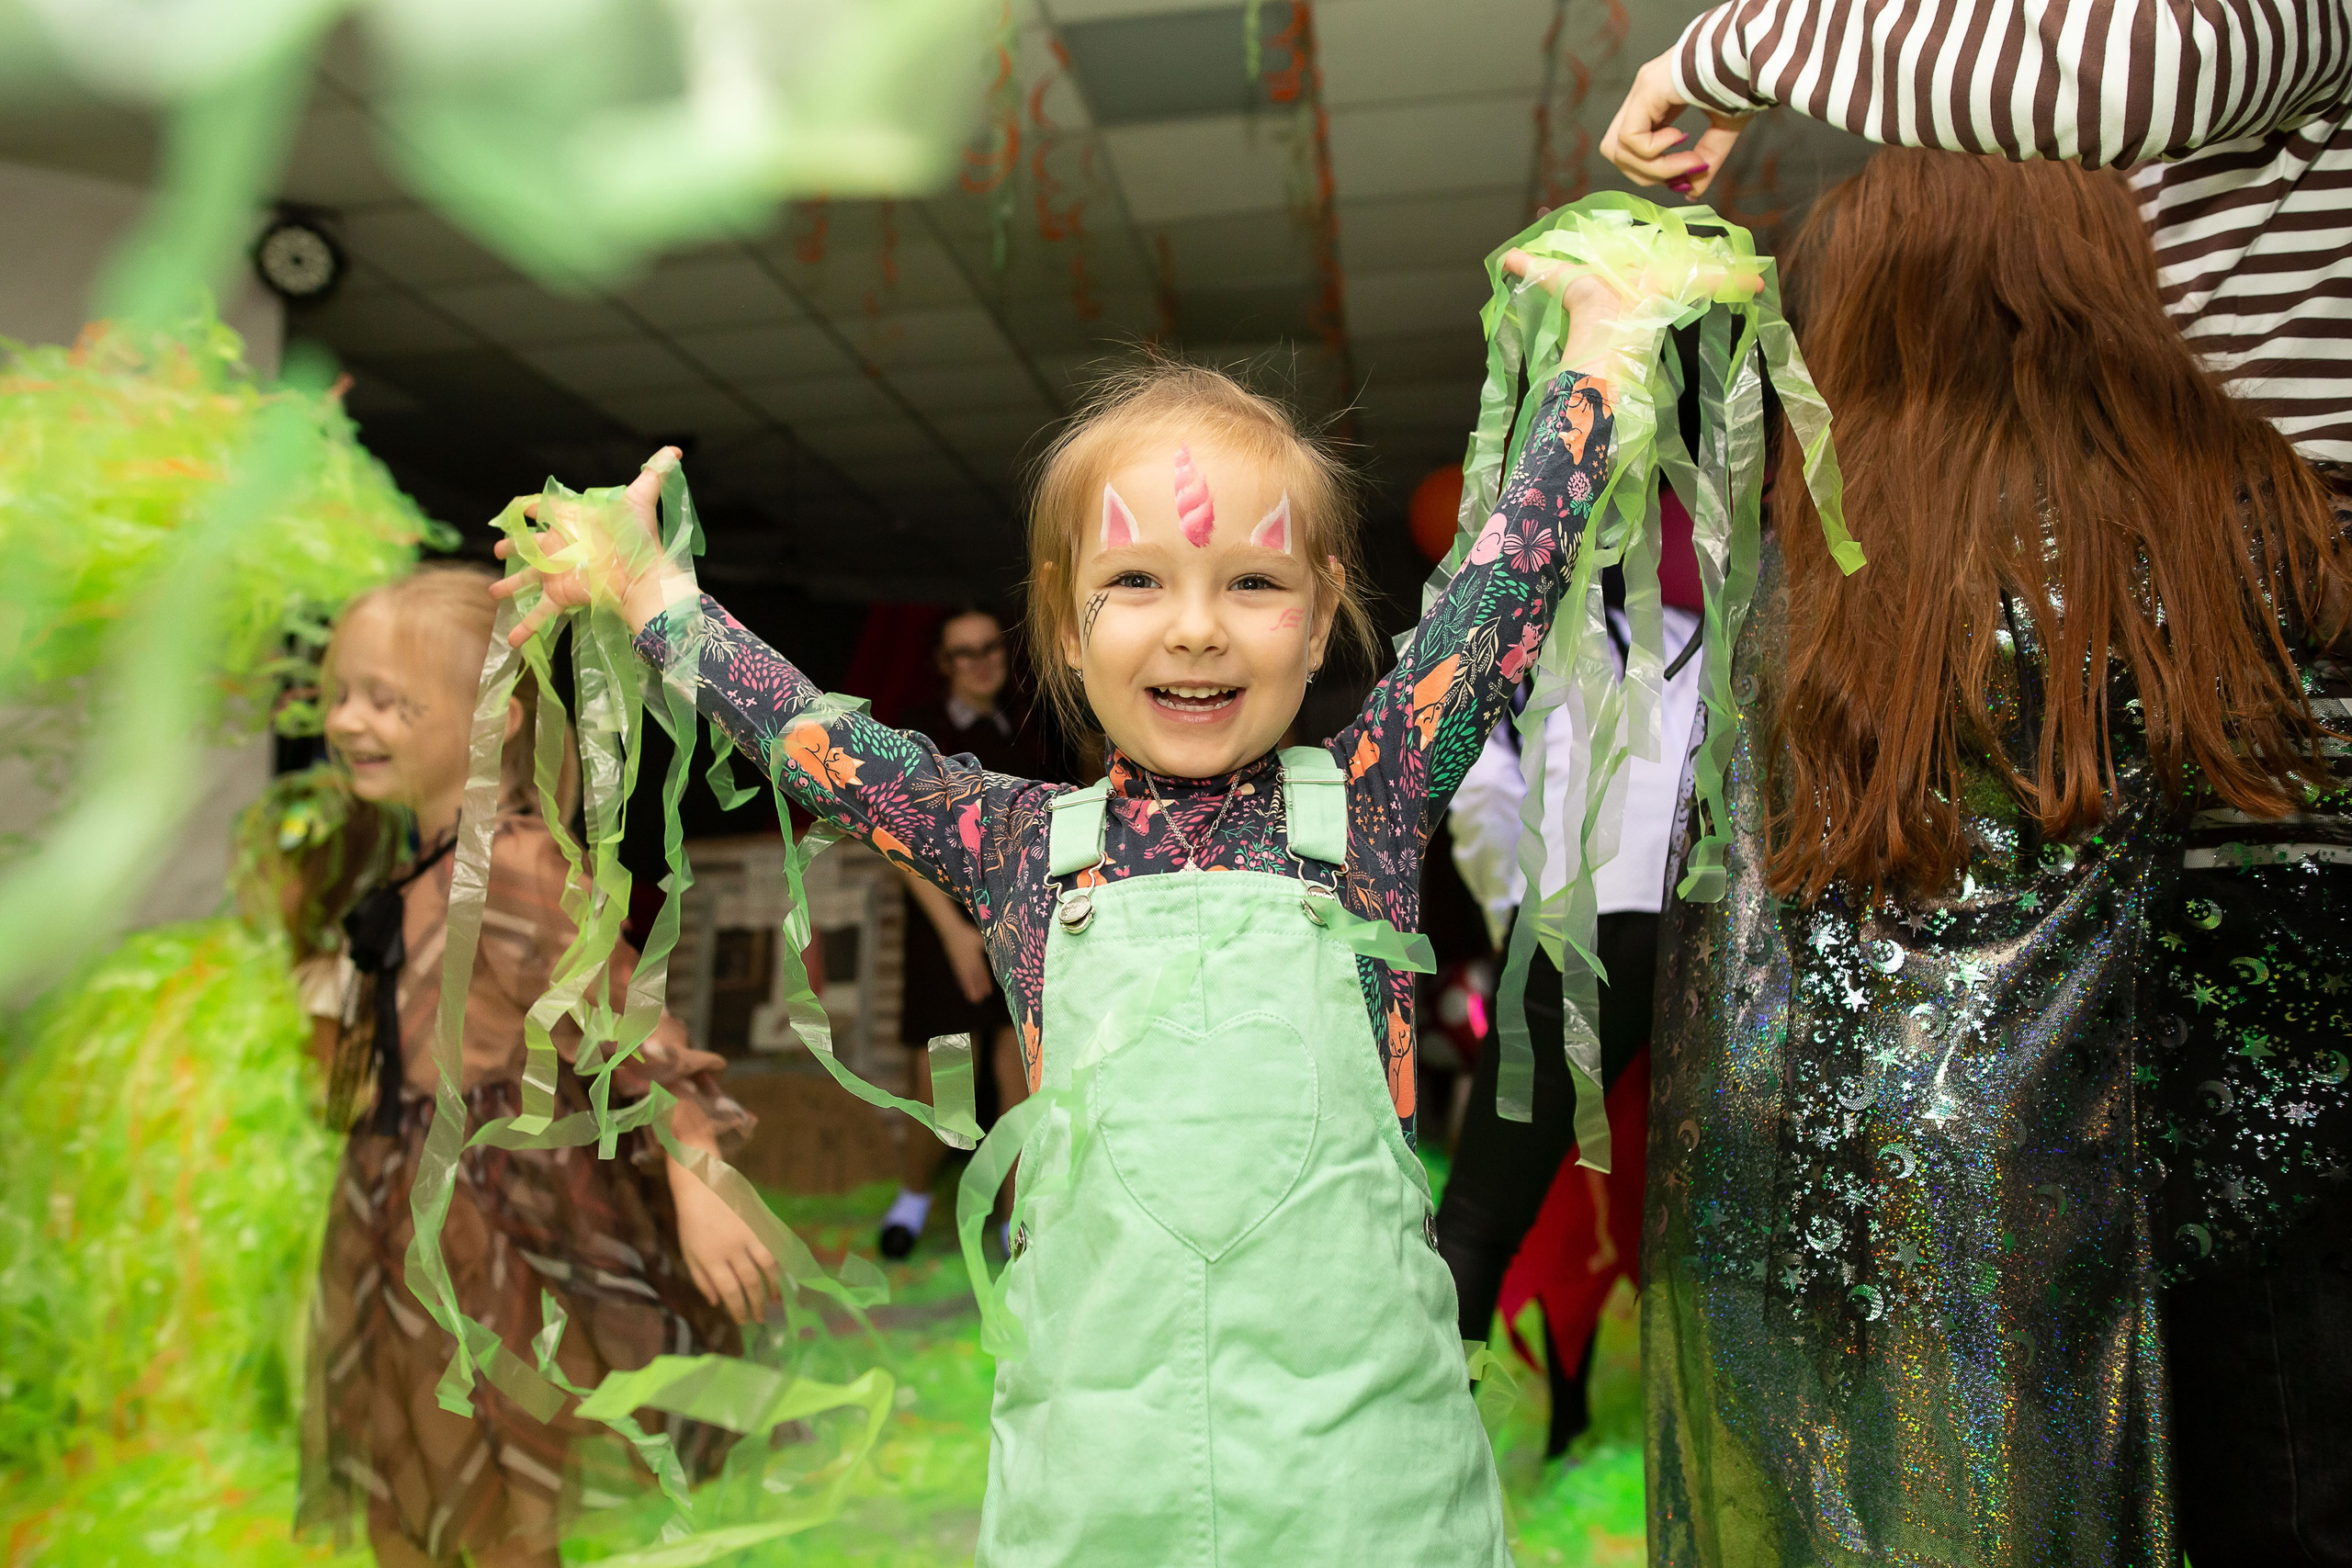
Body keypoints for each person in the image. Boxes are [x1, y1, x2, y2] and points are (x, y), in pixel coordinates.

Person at [491, 250, 1726, 1563]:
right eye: (1136, 581)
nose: (1196, 628)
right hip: (1102, 1471)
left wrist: (1602, 349)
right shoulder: (1015, 840)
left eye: (1253, 583)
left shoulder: (1371, 794)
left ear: (1318, 630)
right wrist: (651, 597)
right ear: (1068, 632)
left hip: (1361, 1471)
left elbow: (1503, 591)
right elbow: (810, 738)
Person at [1605, 8, 2352, 1558]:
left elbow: (2123, 69)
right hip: (2256, 1077)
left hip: (1958, 1199)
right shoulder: (2263, 539)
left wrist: (1719, 54)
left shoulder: (1847, 600)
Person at [288, 565, 774, 1568]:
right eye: (341, 696)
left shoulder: (513, 868)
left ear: (491, 720)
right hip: (396, 1217)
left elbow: (632, 1029)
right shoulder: (411, 868)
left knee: (503, 1491)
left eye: (390, 700)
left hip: (489, 1230)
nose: (350, 722)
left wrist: (697, 1172)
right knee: (405, 1473)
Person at [1439, 488, 1706, 1456]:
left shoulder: (1531, 633)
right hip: (1702, 933)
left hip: (1574, 922)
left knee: (1482, 1215)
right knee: (1701, 1212)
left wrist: (1513, 908)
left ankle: (1423, 1459)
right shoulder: (1738, 625)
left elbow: (1479, 788)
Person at [881, 606, 1041, 1258]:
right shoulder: (923, 734)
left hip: (1018, 928)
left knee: (1020, 1083)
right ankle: (914, 1197)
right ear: (945, 664)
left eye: (989, 648)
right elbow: (893, 837)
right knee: (948, 1088)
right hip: (947, 932)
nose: (981, 661)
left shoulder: (1031, 729)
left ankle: (1014, 1222)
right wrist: (952, 931)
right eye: (964, 652)